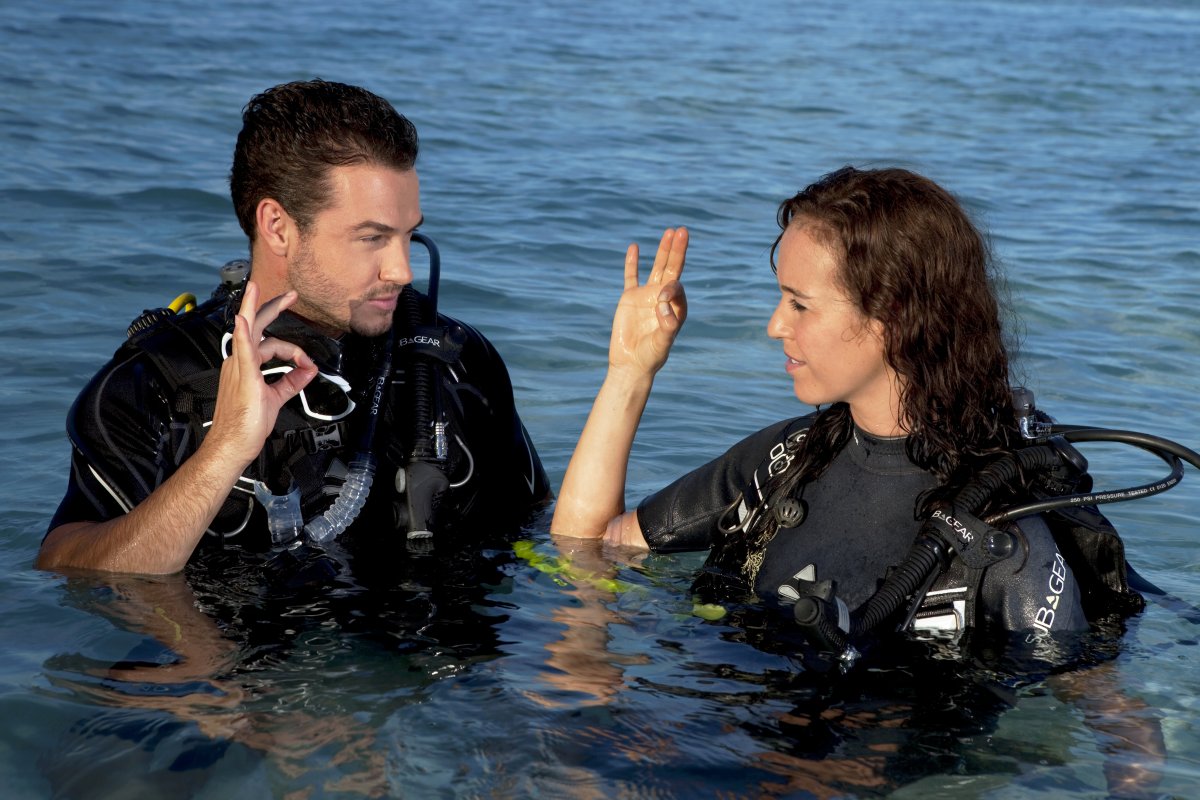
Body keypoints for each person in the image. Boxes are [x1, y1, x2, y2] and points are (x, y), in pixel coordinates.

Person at [551, 165, 1148, 646]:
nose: (774, 325)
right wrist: (629, 374)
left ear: (893, 316)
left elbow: (1093, 709)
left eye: (799, 304)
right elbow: (586, 546)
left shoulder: (1002, 534)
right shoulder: (790, 458)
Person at [38, 79, 550, 575]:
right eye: (372, 238)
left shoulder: (455, 361)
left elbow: (541, 538)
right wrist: (224, 451)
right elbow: (69, 570)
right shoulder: (153, 386)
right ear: (278, 227)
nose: (402, 271)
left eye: (407, 236)